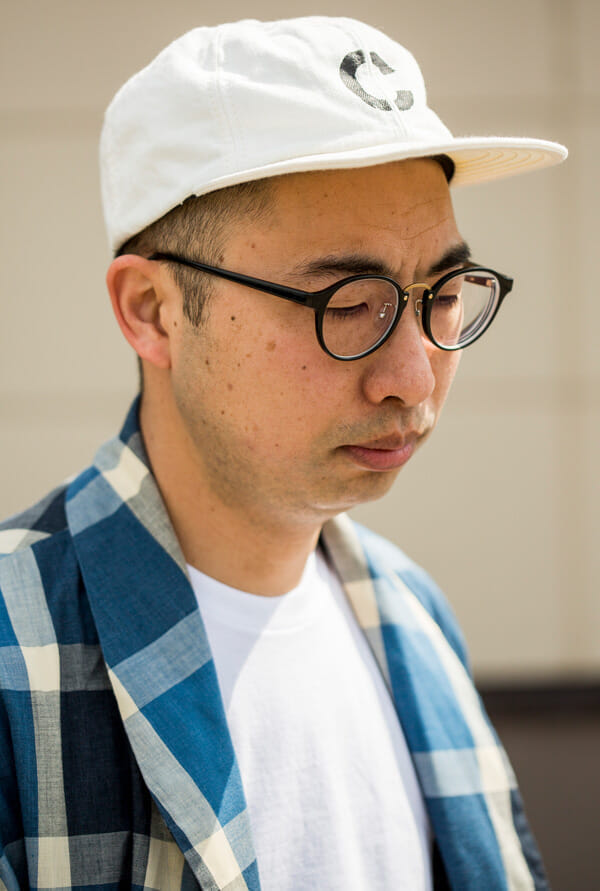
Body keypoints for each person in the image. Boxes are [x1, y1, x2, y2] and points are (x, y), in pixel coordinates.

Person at [0, 16, 566, 891]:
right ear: (152, 311)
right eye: (348, 302)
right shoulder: (17, 643)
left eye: (445, 292)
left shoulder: (412, 612)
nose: (414, 376)